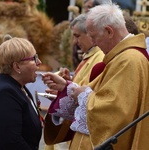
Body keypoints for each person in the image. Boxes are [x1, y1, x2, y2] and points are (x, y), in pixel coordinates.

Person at [42, 3, 149, 150]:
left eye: (94, 37)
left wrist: (84, 95)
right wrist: (69, 88)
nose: (93, 43)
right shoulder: (121, 57)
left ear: (109, 31)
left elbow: (114, 113)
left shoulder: (129, 59)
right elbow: (101, 93)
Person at [44, 13, 104, 150]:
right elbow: (82, 86)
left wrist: (66, 87)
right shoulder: (90, 56)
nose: (74, 42)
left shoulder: (100, 58)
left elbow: (90, 94)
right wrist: (66, 84)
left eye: (77, 36)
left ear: (90, 34)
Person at [0, 36, 43, 150]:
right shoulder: (5, 92)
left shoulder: (19, 87)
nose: (39, 62)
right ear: (17, 66)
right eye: (34, 58)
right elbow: (11, 141)